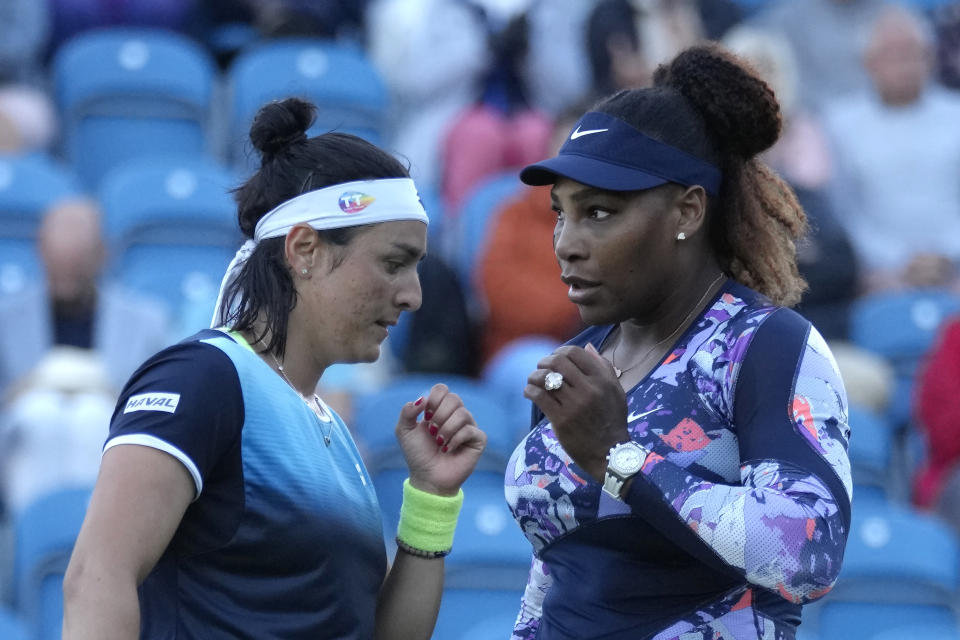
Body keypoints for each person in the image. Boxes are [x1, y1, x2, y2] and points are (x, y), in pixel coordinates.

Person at [62, 98, 487, 639]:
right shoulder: (202, 379)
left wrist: (432, 498)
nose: (414, 296)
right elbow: (96, 579)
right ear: (305, 249)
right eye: (393, 262)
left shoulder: (333, 430)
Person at [505, 44, 852, 639]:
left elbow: (807, 552)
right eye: (560, 212)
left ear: (687, 211)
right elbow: (554, 570)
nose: (566, 242)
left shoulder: (764, 346)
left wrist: (620, 460)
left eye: (600, 213)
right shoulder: (581, 359)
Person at [822, 5, 960, 293]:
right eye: (892, 56)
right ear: (868, 63)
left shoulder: (955, 115)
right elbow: (844, 210)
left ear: (930, 58)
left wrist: (946, 257)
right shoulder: (839, 123)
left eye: (912, 53)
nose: (905, 66)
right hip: (878, 276)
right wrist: (897, 264)